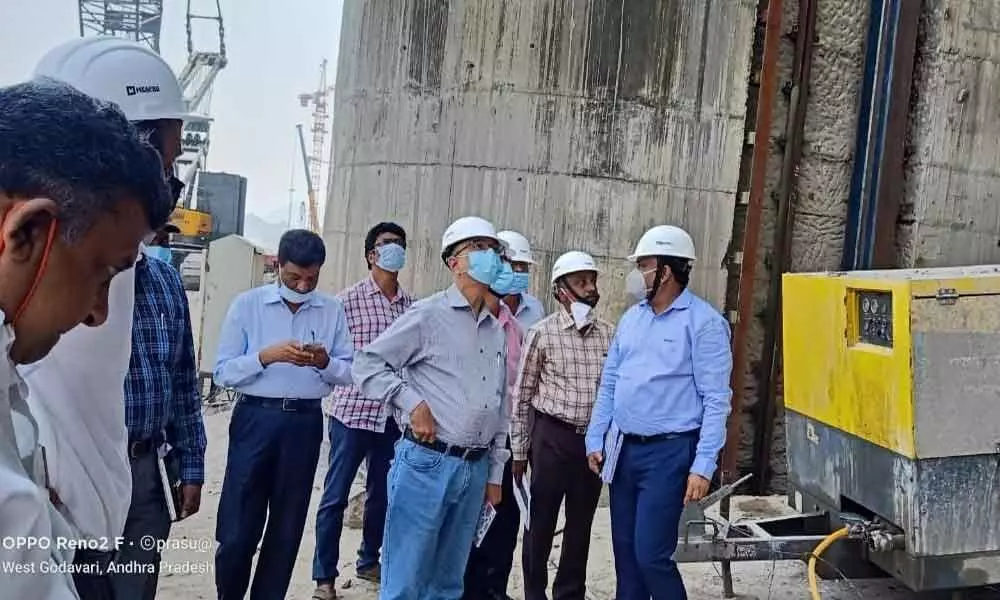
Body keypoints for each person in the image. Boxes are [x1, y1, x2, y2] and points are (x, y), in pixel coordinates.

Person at [20, 36, 198, 600]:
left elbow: (181, 379)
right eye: (166, 163)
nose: (95, 310)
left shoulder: (133, 276)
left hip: (124, 487)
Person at [353, 216, 509, 600]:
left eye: (493, 249)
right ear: (454, 262)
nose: (489, 256)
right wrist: (411, 401)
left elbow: (500, 403)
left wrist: (495, 473)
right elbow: (367, 364)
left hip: (474, 468)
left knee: (447, 585)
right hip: (427, 463)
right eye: (478, 248)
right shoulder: (428, 315)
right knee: (406, 582)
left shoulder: (494, 328)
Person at [585, 226, 733, 600]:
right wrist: (595, 436)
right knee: (625, 557)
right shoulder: (632, 319)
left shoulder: (704, 324)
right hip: (623, 450)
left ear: (666, 271)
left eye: (644, 265)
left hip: (668, 454)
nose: (636, 275)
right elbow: (611, 382)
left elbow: (717, 399)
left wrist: (703, 466)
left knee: (651, 555)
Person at [213, 229, 355, 600]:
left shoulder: (331, 309)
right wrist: (266, 356)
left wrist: (324, 362)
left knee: (287, 527)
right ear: (278, 265)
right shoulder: (248, 305)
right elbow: (224, 371)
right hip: (255, 420)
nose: (303, 285)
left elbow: (348, 371)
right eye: (294, 277)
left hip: (304, 424)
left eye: (312, 278)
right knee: (237, 530)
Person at [312, 222, 413, 600]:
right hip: (351, 413)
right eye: (387, 245)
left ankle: (370, 560)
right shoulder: (347, 301)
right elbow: (334, 354)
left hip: (391, 416)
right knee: (335, 495)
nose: (395, 250)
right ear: (371, 255)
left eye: (400, 245)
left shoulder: (411, 306)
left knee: (382, 495)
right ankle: (324, 576)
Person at [109, 221, 207, 600]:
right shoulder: (74, 274)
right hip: (85, 464)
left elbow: (184, 380)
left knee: (136, 585)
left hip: (149, 468)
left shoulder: (166, 280)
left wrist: (192, 466)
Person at [512, 251, 613, 600]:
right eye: (581, 282)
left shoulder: (609, 336)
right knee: (540, 523)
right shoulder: (541, 334)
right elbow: (522, 397)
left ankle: (570, 593)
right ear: (561, 290)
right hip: (551, 439)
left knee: (581, 526)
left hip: (591, 445)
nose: (590, 289)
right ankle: (534, 593)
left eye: (592, 281)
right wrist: (520, 452)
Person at [463, 229, 542, 600]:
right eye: (511, 264)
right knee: (469, 521)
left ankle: (493, 588)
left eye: (522, 266)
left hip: (511, 437)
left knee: (505, 519)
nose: (516, 272)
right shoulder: (466, 317)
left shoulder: (521, 322)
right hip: (472, 436)